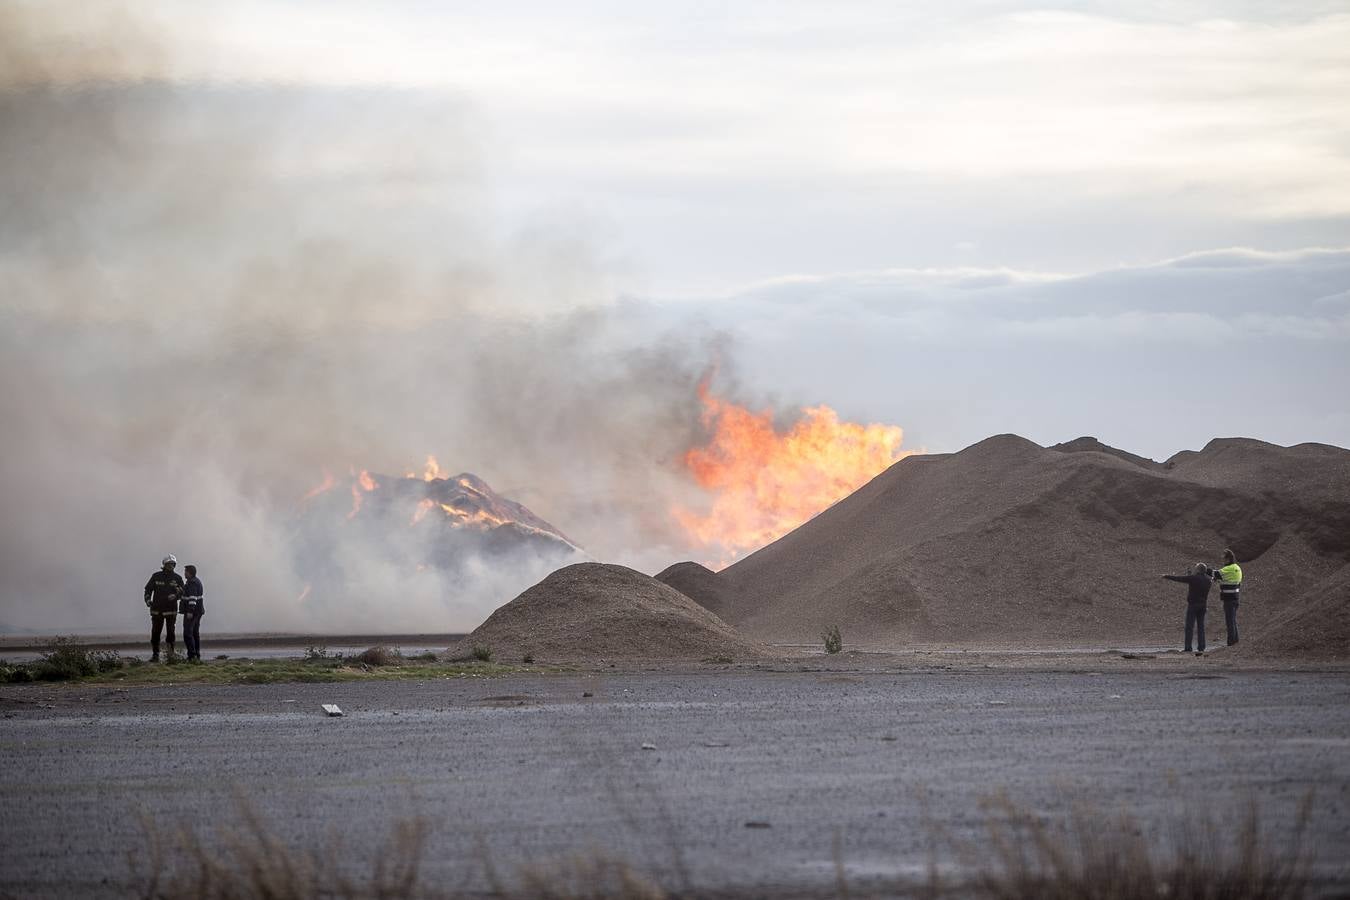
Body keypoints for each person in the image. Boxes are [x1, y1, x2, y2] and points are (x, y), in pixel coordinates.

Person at [1161, 563, 1214, 655]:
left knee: (1189, 627)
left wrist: (1166, 576)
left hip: (1193, 605)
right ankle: (1201, 647)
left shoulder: (1193, 578)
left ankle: (1188, 647)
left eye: (1196, 568)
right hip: (1203, 605)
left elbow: (1180, 578)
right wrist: (1190, 575)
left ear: (1198, 570)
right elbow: (1195, 583)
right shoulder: (1208, 580)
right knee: (1201, 627)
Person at [143, 554, 184, 661]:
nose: (171, 566)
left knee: (170, 633)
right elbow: (148, 590)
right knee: (155, 633)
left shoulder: (178, 578)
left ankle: (170, 655)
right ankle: (155, 655)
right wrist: (148, 600)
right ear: (164, 565)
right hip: (157, 610)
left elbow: (183, 593)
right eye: (169, 564)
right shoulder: (156, 576)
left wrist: (175, 596)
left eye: (173, 564)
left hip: (171, 610)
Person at [1212, 548, 1243, 646]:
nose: (1222, 560)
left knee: (1230, 622)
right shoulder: (1237, 568)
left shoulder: (1228, 569)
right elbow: (1230, 579)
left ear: (1228, 559)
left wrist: (1204, 569)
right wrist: (1220, 580)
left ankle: (1231, 643)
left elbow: (1215, 573)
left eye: (1224, 558)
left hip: (1229, 599)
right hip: (1235, 598)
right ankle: (1236, 641)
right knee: (1233, 620)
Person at [180, 564, 205, 662]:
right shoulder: (194, 581)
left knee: (187, 634)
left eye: (185, 571)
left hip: (192, 612)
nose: (184, 573)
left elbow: (192, 598)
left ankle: (192, 655)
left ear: (189, 573)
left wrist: (190, 611)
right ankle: (196, 655)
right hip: (198, 612)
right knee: (195, 633)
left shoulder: (192, 583)